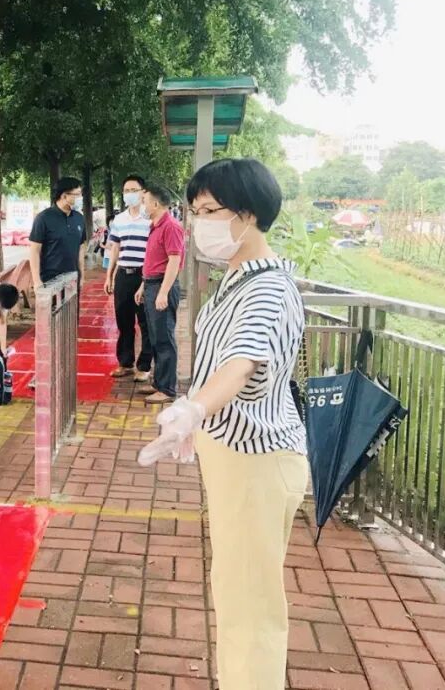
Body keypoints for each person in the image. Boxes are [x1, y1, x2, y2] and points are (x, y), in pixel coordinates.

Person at [137, 158, 308, 690]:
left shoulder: (267, 288)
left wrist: (194, 408)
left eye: (210, 211)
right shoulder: (237, 277)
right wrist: (197, 415)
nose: (199, 223)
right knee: (235, 589)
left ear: (248, 214)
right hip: (235, 454)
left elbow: (243, 360)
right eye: (195, 211)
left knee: (249, 604)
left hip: (257, 460)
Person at [134, 185, 185, 405]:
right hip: (152, 284)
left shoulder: (171, 226)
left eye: (144, 201)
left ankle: (167, 388)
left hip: (162, 285)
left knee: (164, 337)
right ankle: (159, 382)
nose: (142, 205)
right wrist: (143, 286)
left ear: (155, 204)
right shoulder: (155, 226)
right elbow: (153, 261)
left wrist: (163, 292)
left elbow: (174, 261)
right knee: (155, 337)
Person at [104, 175, 153, 387]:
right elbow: (115, 248)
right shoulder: (119, 220)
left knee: (145, 322)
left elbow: (153, 250)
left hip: (144, 274)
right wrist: (109, 275)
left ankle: (144, 366)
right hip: (123, 274)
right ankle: (125, 363)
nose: (129, 194)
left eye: (134, 190)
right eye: (126, 190)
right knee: (123, 321)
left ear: (143, 193)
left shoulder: (151, 219)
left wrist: (146, 279)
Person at [28, 177, 86, 294]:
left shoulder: (79, 218)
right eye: (77, 194)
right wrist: (37, 281)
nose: (81, 198)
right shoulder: (43, 218)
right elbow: (34, 251)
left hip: (73, 279)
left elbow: (81, 248)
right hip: (50, 281)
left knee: (73, 307)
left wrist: (82, 275)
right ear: (64, 196)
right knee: (52, 307)